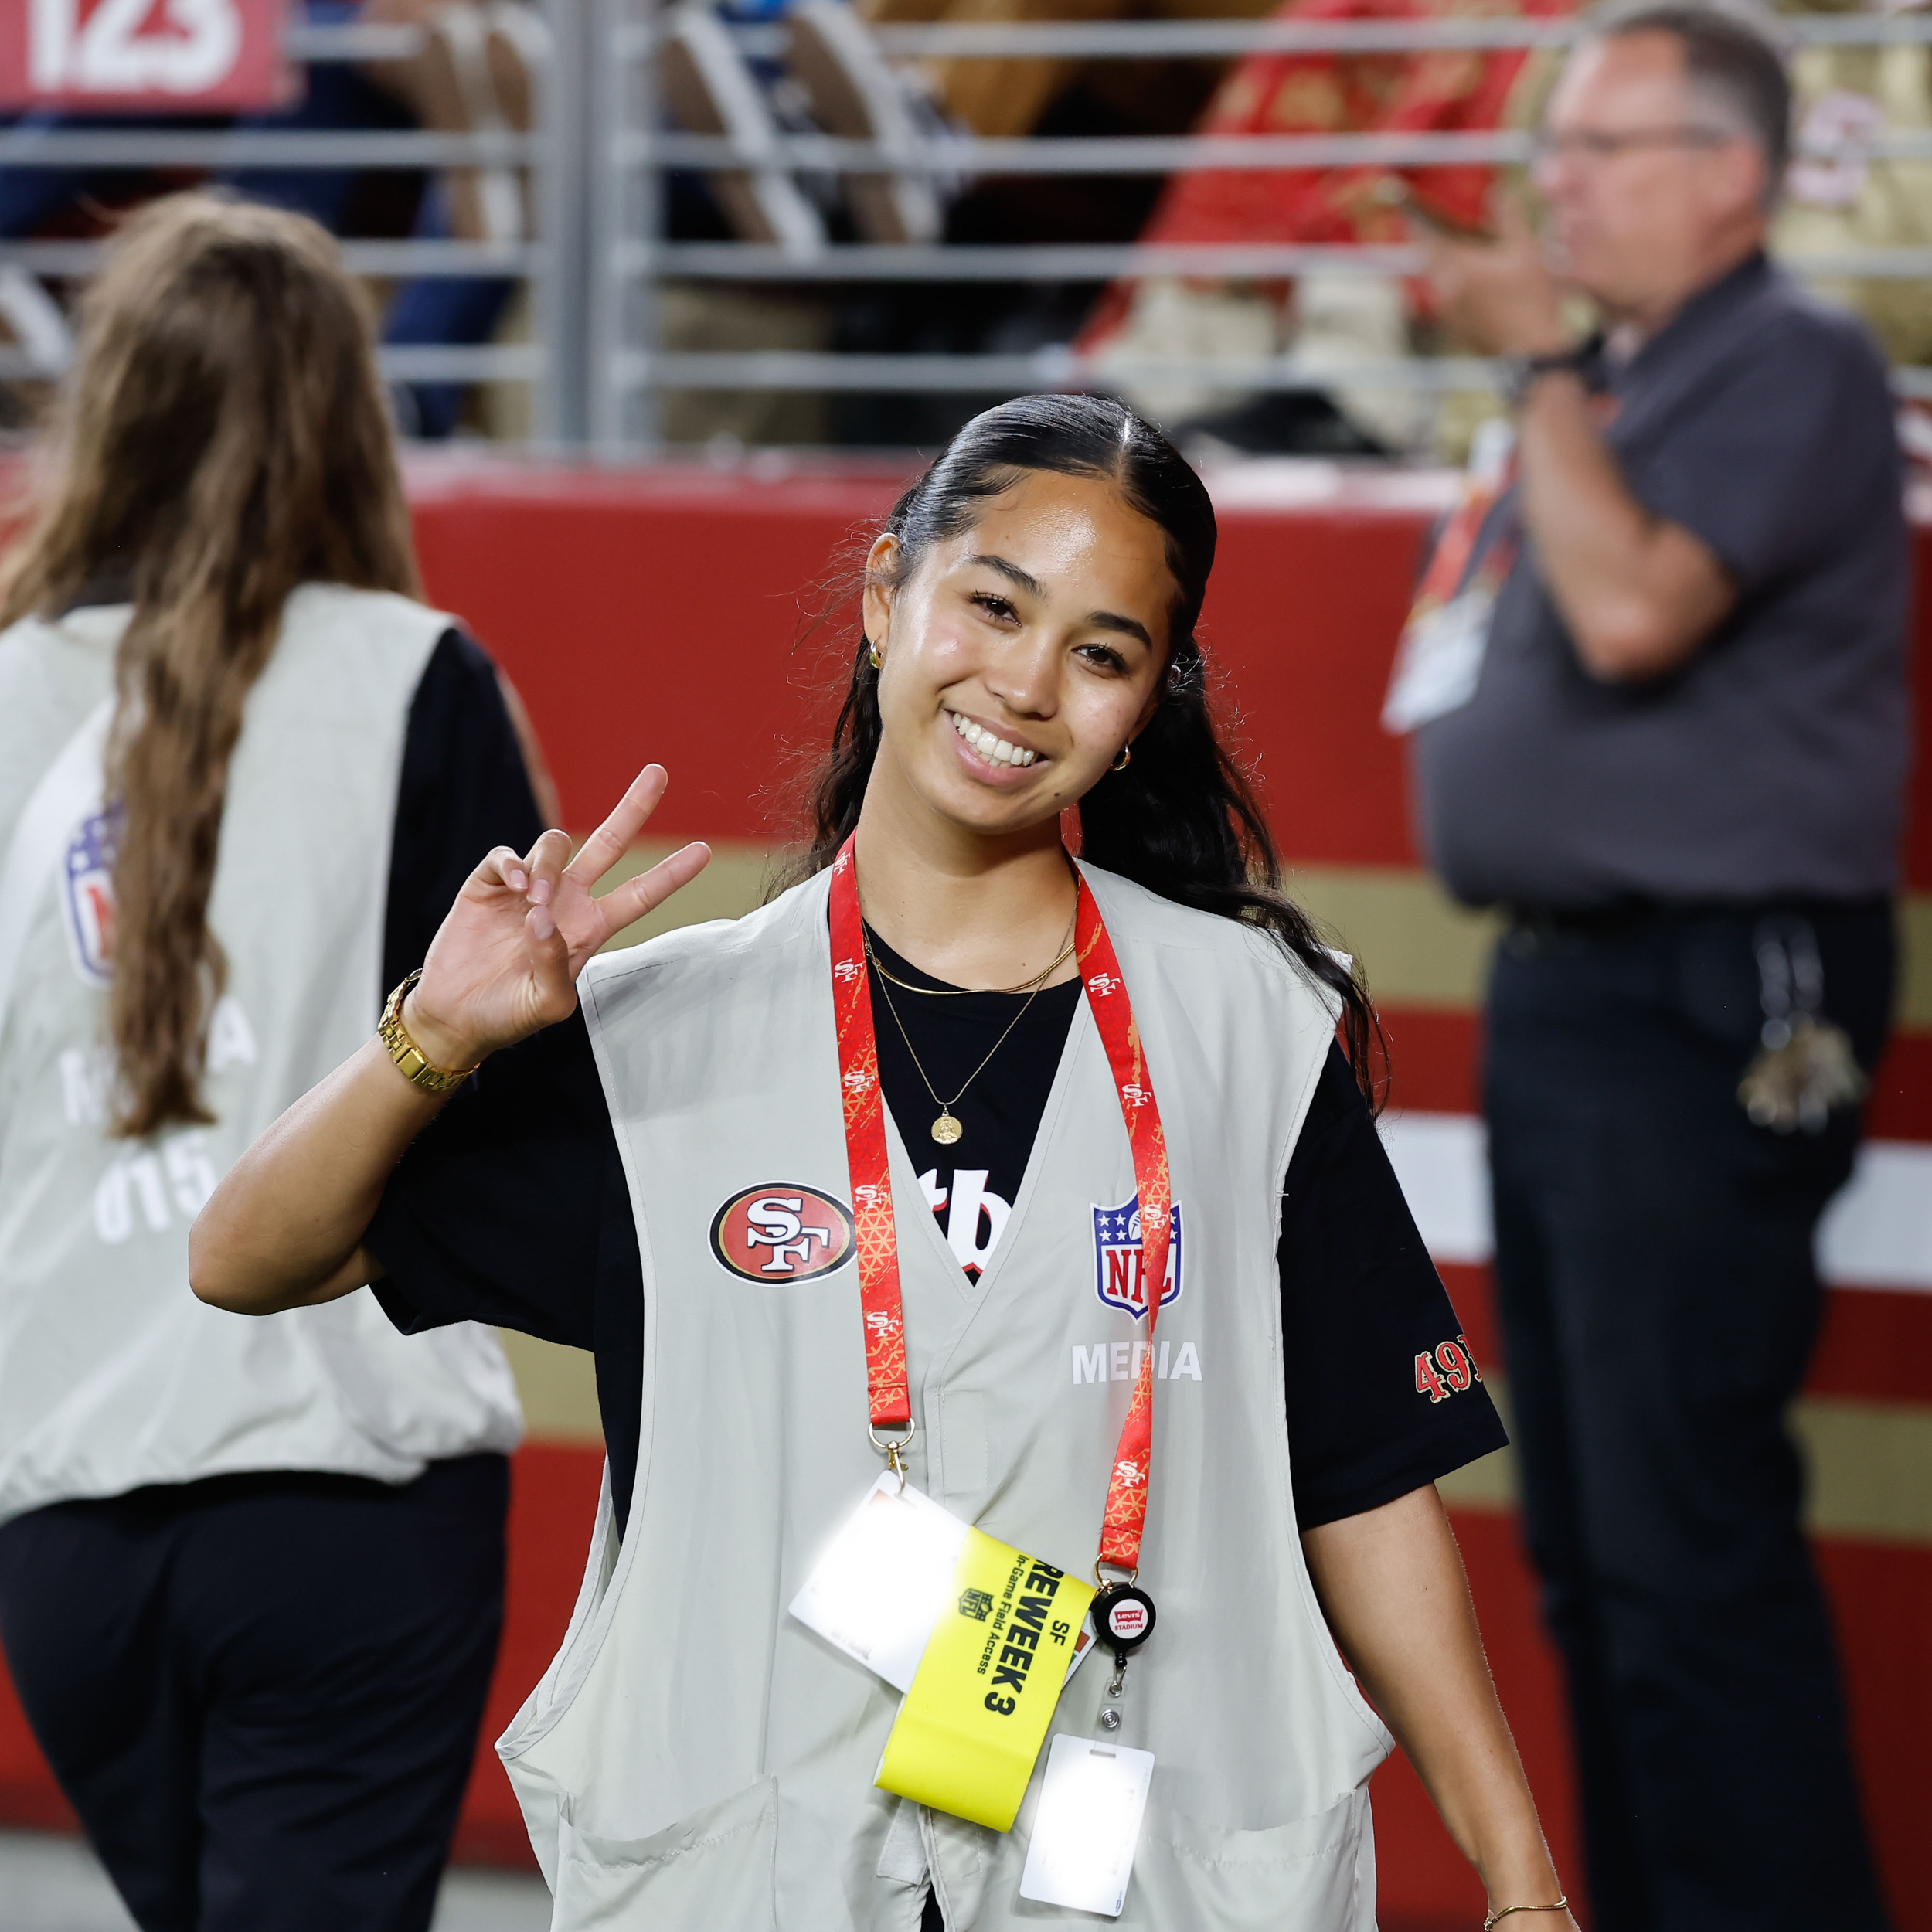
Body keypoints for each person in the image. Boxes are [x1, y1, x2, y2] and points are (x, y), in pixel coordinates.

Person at [193, 392, 1577, 1931]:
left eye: (1100, 652)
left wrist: (1517, 1881)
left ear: (1142, 706)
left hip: (1143, 1872)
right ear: (881, 596)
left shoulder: (1242, 1028)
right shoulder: (666, 1038)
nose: (1027, 684)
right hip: (747, 1873)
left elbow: (1363, 1478)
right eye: (992, 603)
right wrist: (434, 1037)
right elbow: (247, 1256)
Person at [1396, 8, 1905, 1929]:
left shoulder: (1788, 361)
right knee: (1597, 1544)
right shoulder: (1619, 381)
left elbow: (1624, 613)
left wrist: (1533, 363)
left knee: (1682, 1536)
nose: (1557, 182)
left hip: (1706, 994)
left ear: (1731, 172)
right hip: (1579, 991)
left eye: (1604, 147)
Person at [0, 193, 543, 1932]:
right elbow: (516, 1092)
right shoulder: (419, 678)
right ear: (346, 414)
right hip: (351, 1482)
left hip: (65, 1516)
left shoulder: (7, 690)